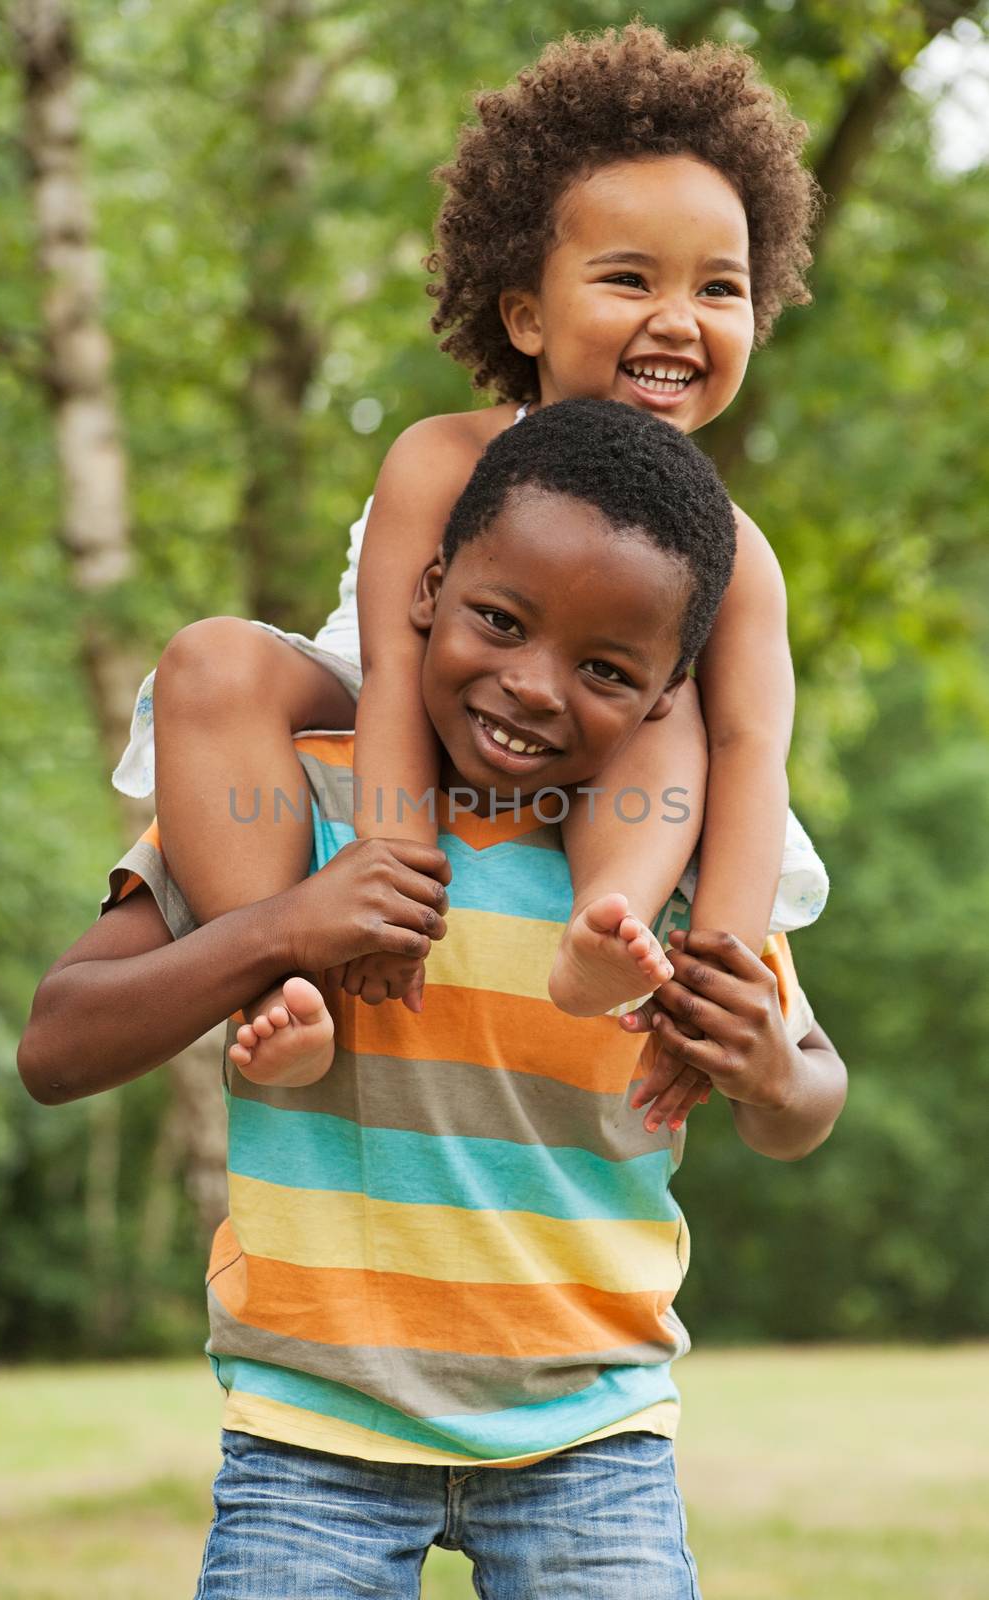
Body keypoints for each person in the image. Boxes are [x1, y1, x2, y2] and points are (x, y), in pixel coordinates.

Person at [20, 400, 847, 1597]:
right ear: (424, 593)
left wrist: (771, 1069)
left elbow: (802, 1100)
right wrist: (284, 927)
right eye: (498, 622)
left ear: (669, 691)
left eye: (606, 668)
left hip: (590, 1438)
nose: (531, 688)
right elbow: (56, 1043)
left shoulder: (665, 862)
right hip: (313, 1438)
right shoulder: (292, 803)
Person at [109, 21, 829, 1121]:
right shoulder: (440, 459)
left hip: (599, 761)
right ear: (526, 313)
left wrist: (720, 981)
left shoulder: (729, 550)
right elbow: (394, 669)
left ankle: (603, 927)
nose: (676, 320)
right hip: (403, 697)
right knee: (213, 659)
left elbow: (748, 751)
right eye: (628, 278)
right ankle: (287, 989)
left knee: (673, 711)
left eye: (718, 290)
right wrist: (393, 862)